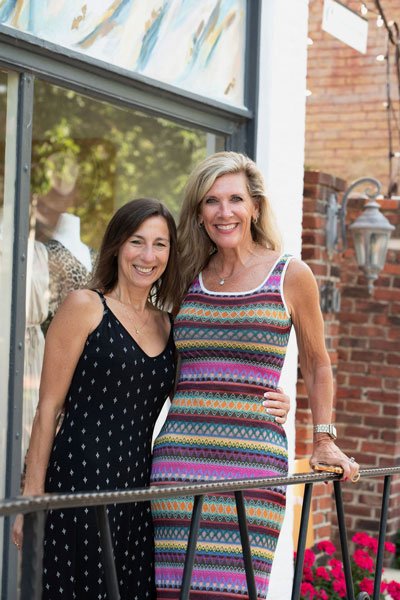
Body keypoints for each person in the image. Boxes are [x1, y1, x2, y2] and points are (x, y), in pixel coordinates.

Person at [150, 151, 360, 600]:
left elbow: (317, 362)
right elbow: (166, 361)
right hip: (179, 461)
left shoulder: (290, 274)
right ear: (199, 213)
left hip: (252, 463)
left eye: (235, 199)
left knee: (239, 589)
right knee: (172, 591)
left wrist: (323, 438)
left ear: (256, 208)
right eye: (211, 201)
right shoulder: (184, 276)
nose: (223, 212)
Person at [13, 198, 180, 600]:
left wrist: (272, 401)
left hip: (137, 493)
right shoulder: (85, 306)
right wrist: (31, 497)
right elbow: (48, 408)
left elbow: (196, 398)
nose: (148, 255)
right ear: (117, 245)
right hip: (77, 485)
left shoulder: (169, 324)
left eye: (159, 244)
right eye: (137, 241)